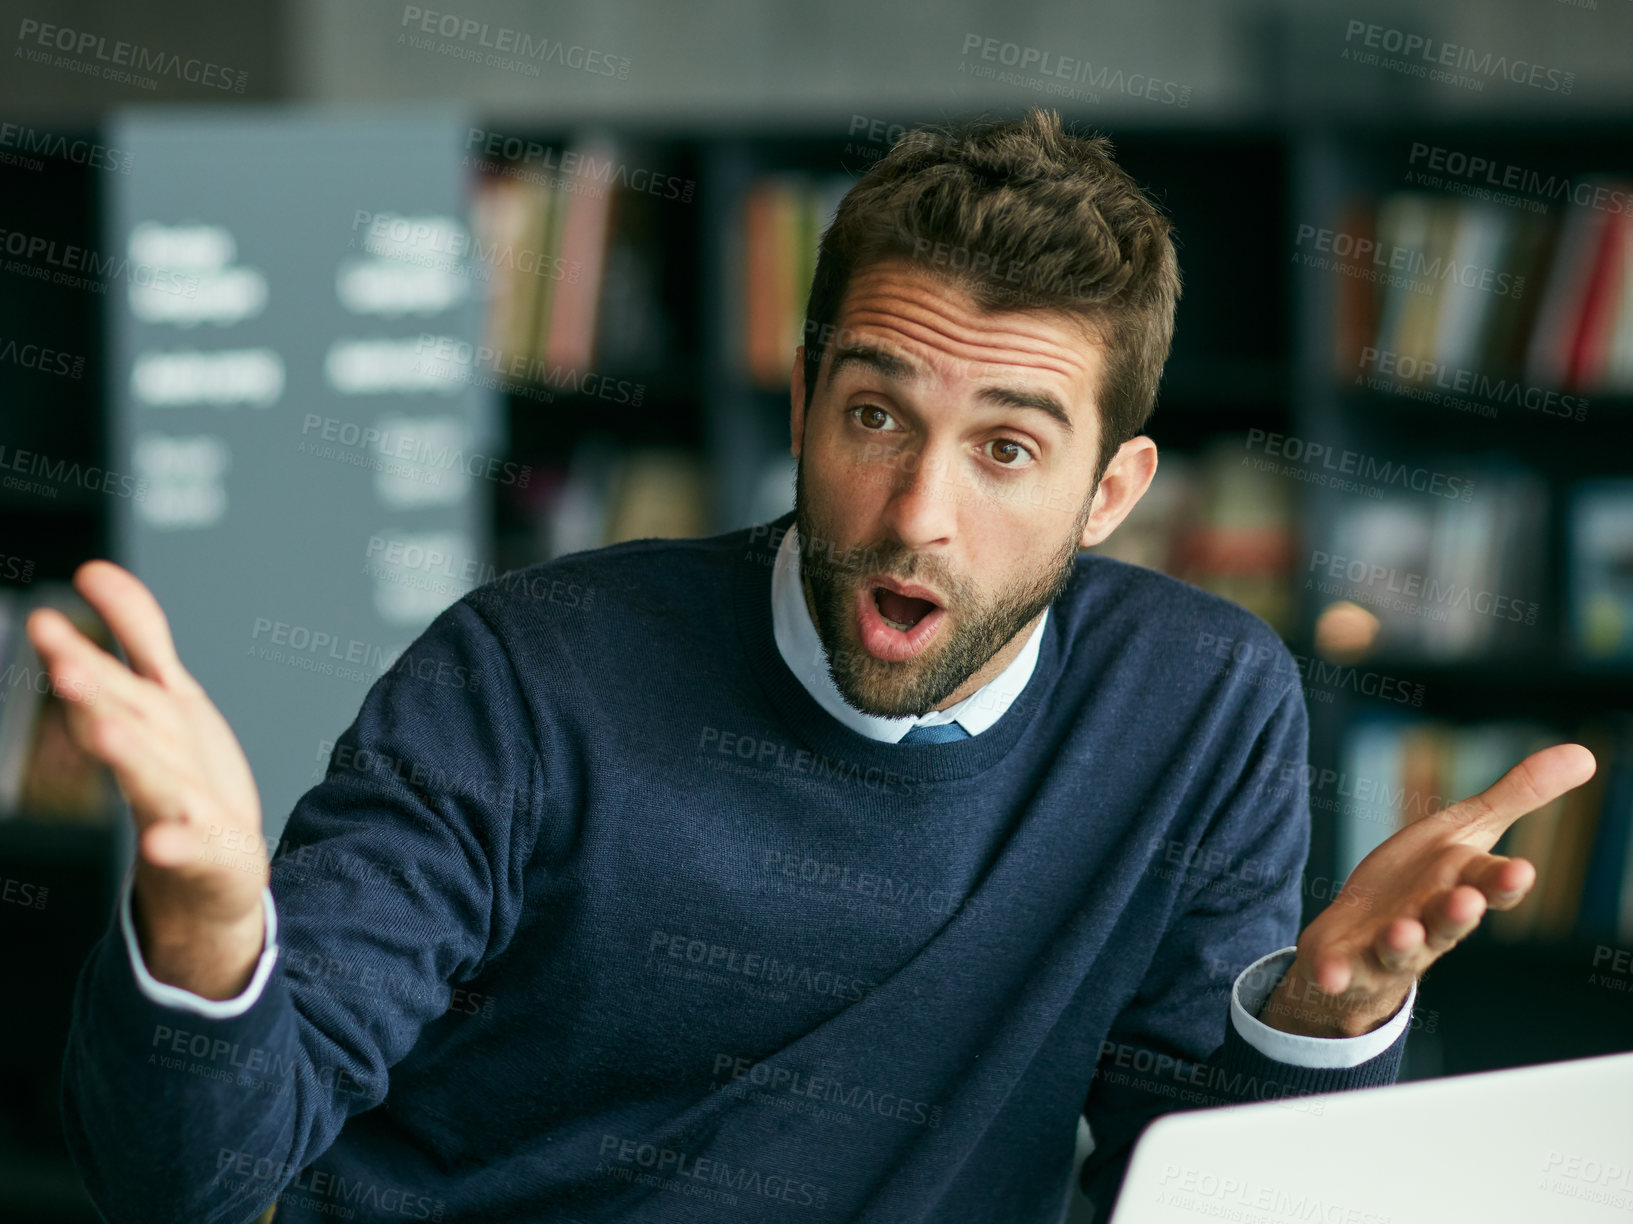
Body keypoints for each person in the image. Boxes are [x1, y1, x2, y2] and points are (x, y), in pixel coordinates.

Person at [36, 108, 1594, 1224]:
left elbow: (1179, 1184)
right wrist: (209, 934)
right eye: (874, 415)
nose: (918, 512)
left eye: (1004, 447)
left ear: (1111, 491)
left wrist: (1315, 1026)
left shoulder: (1198, 707)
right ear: (802, 400)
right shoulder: (528, 671)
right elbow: (197, 1181)